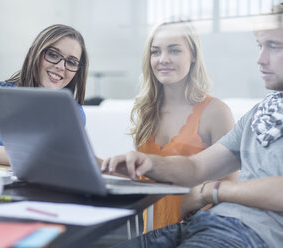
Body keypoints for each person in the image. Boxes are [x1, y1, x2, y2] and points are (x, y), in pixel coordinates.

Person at [102, 5, 283, 247]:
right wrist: (150, 163)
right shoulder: (260, 114)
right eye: (260, 46)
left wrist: (208, 192)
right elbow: (196, 166)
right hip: (207, 222)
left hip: (247, 232)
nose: (260, 59)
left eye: (274, 46)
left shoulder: (214, 111)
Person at [130, 20, 236, 231]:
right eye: (156, 52)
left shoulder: (216, 112)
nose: (163, 59)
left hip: (198, 234)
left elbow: (229, 188)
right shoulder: (146, 110)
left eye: (174, 50)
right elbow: (144, 177)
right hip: (152, 234)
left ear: (193, 55)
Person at [0, 24, 89, 166]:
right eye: (53, 54)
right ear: (34, 53)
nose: (61, 67)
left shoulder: (72, 112)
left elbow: (35, 157)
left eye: (72, 63)